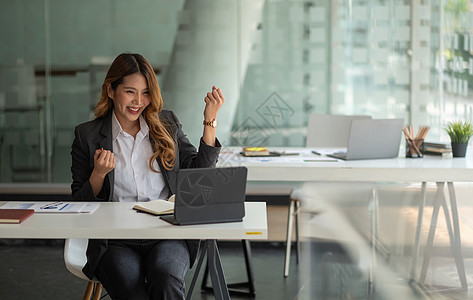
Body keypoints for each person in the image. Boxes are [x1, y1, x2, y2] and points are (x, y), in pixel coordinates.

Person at [70, 53, 224, 299]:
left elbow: (199, 177)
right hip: (116, 239)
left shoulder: (167, 123)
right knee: (129, 285)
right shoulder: (87, 136)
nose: (138, 101)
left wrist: (210, 121)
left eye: (145, 93)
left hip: (166, 233)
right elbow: (77, 204)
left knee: (166, 276)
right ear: (110, 90)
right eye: (130, 92)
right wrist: (98, 175)